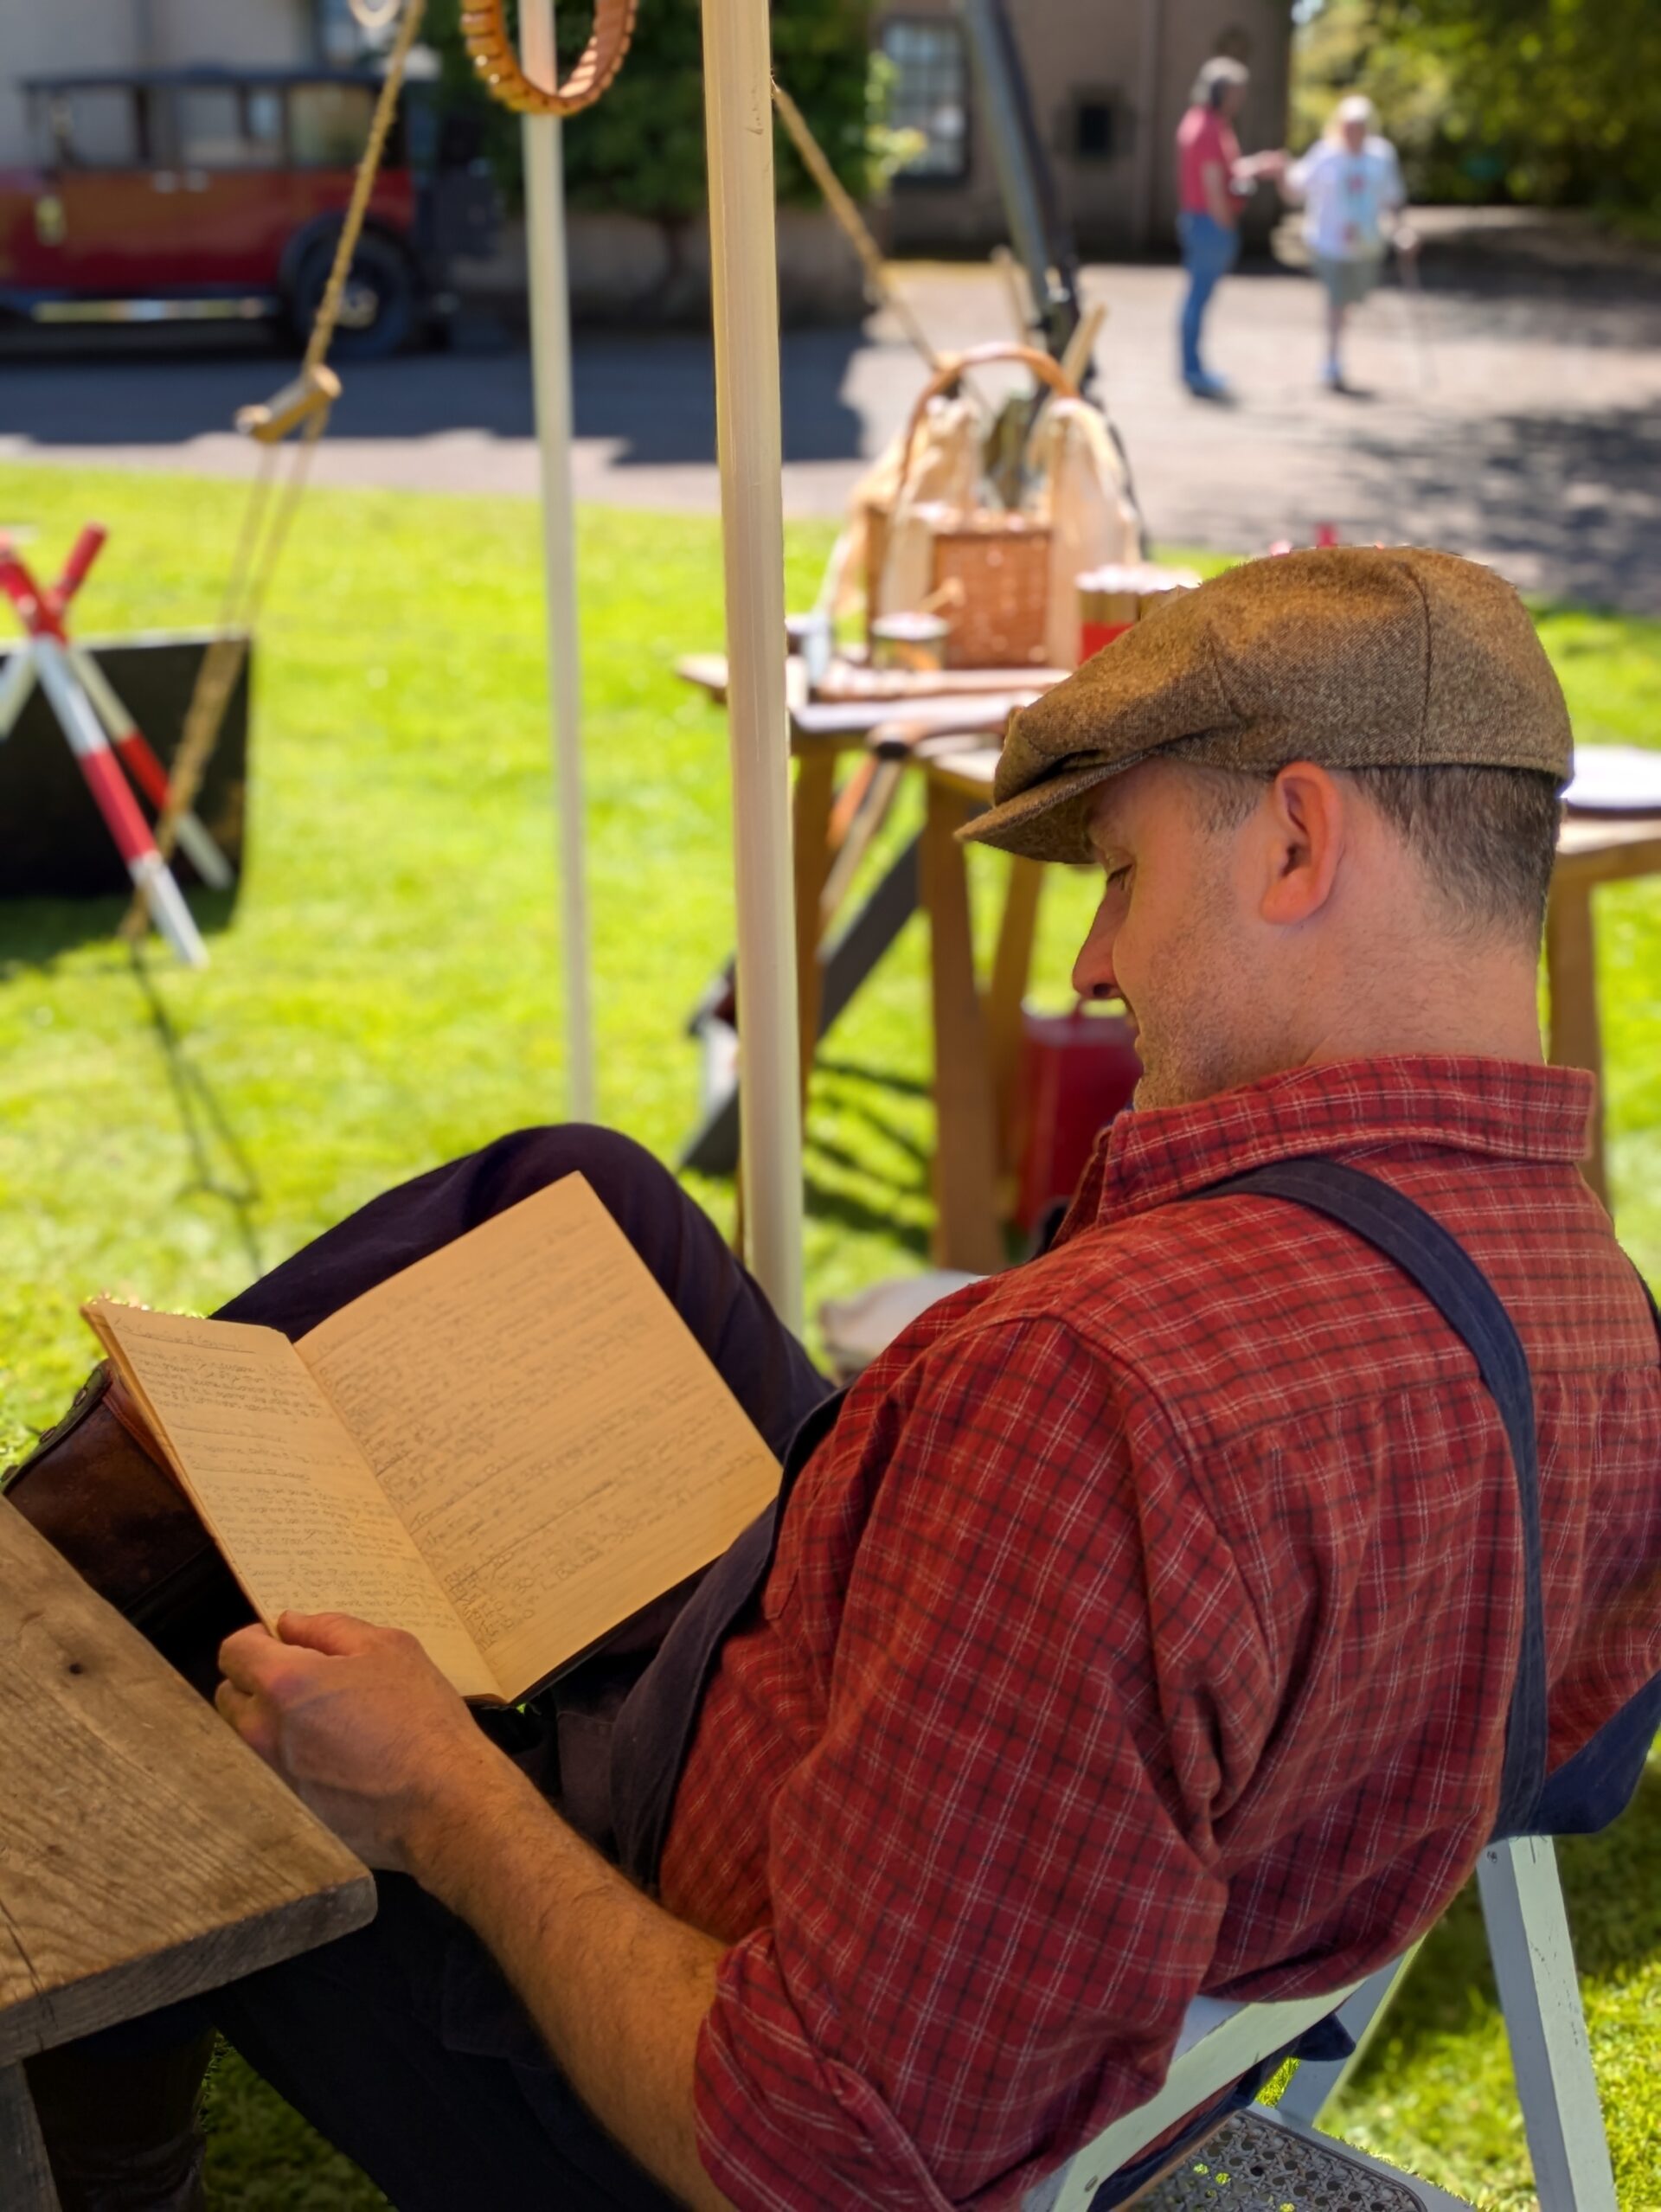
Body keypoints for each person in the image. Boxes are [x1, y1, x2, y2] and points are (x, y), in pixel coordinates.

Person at [12, 548, 1661, 2212]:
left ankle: (104, 2135)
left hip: (665, 2054)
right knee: (582, 1191)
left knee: (150, 1649)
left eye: (1124, 874)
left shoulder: (1092, 1392)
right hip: (959, 1828)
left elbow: (817, 2155)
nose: (1095, 962)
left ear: (1298, 842)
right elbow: (1575, 1763)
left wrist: (438, 1794)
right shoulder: (1603, 1320)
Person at [1281, 93, 1415, 391]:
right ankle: (1332, 359)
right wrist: (1280, 172)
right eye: (1348, 125)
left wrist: (1402, 231)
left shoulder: (1381, 156)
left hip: (1366, 246)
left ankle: (1336, 348)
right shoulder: (1325, 153)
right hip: (1329, 244)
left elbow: (1393, 198)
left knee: (1348, 301)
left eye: (1359, 126)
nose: (1353, 132)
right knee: (1336, 299)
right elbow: (1295, 188)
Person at [1173, 56, 1285, 400]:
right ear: (1220, 92)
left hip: (1204, 219)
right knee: (1197, 299)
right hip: (1209, 222)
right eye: (1236, 92)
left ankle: (1194, 368)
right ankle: (1193, 371)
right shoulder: (1208, 127)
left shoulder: (1204, 122)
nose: (1240, 99)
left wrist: (1257, 166)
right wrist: (1226, 223)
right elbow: (1212, 184)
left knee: (1198, 297)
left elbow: (1225, 170)